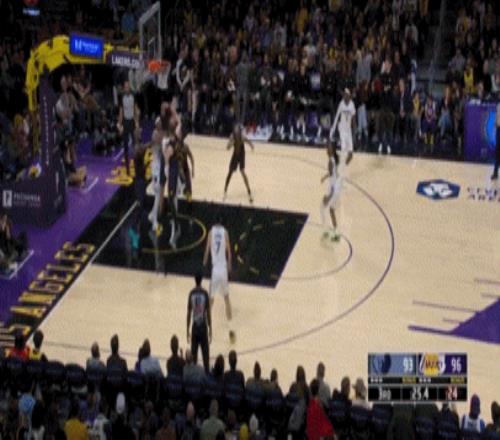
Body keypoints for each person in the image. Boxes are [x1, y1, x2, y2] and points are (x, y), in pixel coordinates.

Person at [203, 214, 235, 343]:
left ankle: (205, 327)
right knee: (226, 298)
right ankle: (231, 329)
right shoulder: (225, 232)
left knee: (210, 300)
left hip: (215, 271)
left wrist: (204, 262)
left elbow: (207, 250)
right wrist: (230, 263)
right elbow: (229, 250)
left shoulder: (210, 233)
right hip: (223, 270)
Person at [187, 271, 212, 373]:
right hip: (203, 326)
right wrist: (210, 329)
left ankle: (194, 375)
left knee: (194, 355)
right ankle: (206, 373)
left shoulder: (191, 293)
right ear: (201, 280)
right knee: (206, 355)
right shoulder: (205, 293)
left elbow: (189, 313)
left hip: (195, 326)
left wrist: (187, 329)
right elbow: (208, 313)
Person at [223, 124, 255, 203]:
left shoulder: (242, 136)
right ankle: (225, 191)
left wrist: (251, 146)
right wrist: (232, 143)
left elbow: (248, 141)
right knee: (230, 172)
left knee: (243, 172)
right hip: (235, 155)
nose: (236, 133)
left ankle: (249, 192)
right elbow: (227, 147)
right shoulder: (232, 136)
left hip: (241, 154)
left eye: (237, 131)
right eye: (235, 131)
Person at [148, 116, 166, 236]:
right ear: (156, 124)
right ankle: (154, 221)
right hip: (155, 166)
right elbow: (160, 141)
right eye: (159, 123)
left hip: (159, 165)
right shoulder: (155, 134)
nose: (161, 124)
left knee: (158, 194)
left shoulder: (161, 133)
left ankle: (152, 215)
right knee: (157, 193)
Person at [117, 80, 139, 175]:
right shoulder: (121, 98)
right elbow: (121, 111)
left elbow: (135, 109)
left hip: (132, 121)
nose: (127, 88)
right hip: (125, 122)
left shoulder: (133, 96)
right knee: (125, 145)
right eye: (125, 87)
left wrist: (137, 122)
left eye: (128, 87)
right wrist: (119, 124)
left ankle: (136, 164)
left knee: (135, 144)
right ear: (124, 88)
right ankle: (127, 168)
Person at [320, 143, 341, 241]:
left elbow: (332, 175)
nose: (326, 149)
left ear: (331, 150)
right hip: (336, 187)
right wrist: (325, 177)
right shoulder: (334, 159)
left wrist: (330, 195)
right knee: (330, 210)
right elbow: (333, 173)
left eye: (328, 148)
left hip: (334, 188)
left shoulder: (331, 161)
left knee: (323, 208)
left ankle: (328, 231)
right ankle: (334, 232)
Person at [330, 89, 355, 167]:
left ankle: (342, 164)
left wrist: (354, 130)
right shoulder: (341, 104)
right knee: (343, 148)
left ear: (349, 96)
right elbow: (337, 116)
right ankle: (340, 165)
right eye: (344, 95)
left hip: (348, 129)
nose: (345, 96)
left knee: (350, 154)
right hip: (342, 128)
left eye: (346, 95)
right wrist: (333, 129)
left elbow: (354, 117)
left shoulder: (352, 104)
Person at [491, 102, 500, 180]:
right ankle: (495, 173)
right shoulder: (498, 105)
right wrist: (495, 124)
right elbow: (497, 116)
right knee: (497, 152)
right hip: (498, 129)